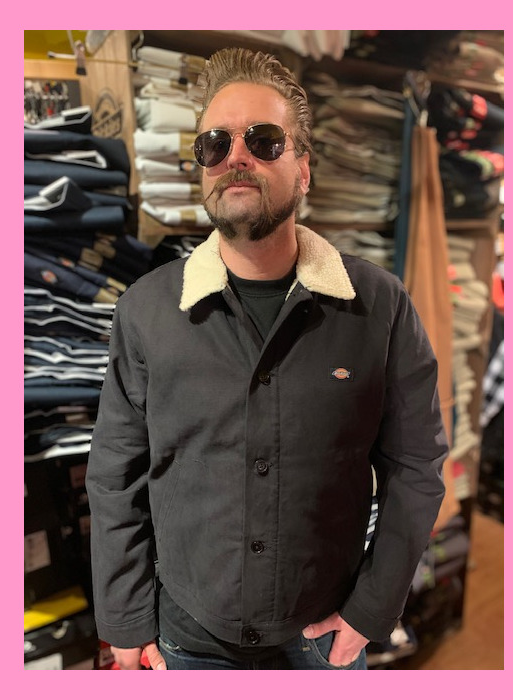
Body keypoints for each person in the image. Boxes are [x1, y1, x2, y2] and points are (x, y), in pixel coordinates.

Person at [85, 47, 448, 671]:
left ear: (303, 169)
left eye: (263, 140)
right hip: (187, 639)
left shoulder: (379, 307)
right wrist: (123, 617)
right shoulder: (146, 311)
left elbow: (416, 464)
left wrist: (371, 609)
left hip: (323, 638)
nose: (236, 157)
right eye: (215, 144)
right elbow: (117, 472)